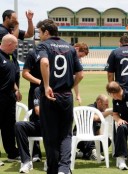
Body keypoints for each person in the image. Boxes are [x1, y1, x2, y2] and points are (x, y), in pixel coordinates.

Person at [36, 19, 83, 174]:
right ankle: (64, 169)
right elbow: (80, 75)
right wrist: (69, 87)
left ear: (46, 32)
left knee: (50, 135)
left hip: (50, 96)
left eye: (40, 32)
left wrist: (47, 85)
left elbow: (44, 63)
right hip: (66, 96)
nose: (39, 35)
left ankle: (53, 169)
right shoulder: (70, 48)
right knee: (66, 134)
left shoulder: (44, 45)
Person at [0, 34, 22, 163]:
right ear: (9, 44)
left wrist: (16, 89)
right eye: (15, 45)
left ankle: (12, 154)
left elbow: (11, 75)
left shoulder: (12, 56)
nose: (16, 48)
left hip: (10, 97)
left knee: (9, 126)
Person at [75, 94, 112, 161]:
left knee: (107, 140)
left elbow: (97, 128)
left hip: (90, 140)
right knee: (90, 129)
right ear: (99, 102)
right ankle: (93, 152)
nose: (107, 107)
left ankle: (83, 154)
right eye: (106, 104)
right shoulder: (90, 108)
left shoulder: (99, 111)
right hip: (80, 137)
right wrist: (108, 112)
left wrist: (103, 139)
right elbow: (95, 118)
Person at [15, 87, 42, 173]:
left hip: (52, 126)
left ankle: (52, 161)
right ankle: (26, 161)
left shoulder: (58, 90)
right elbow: (37, 110)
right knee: (19, 125)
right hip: (38, 125)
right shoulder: (38, 90)